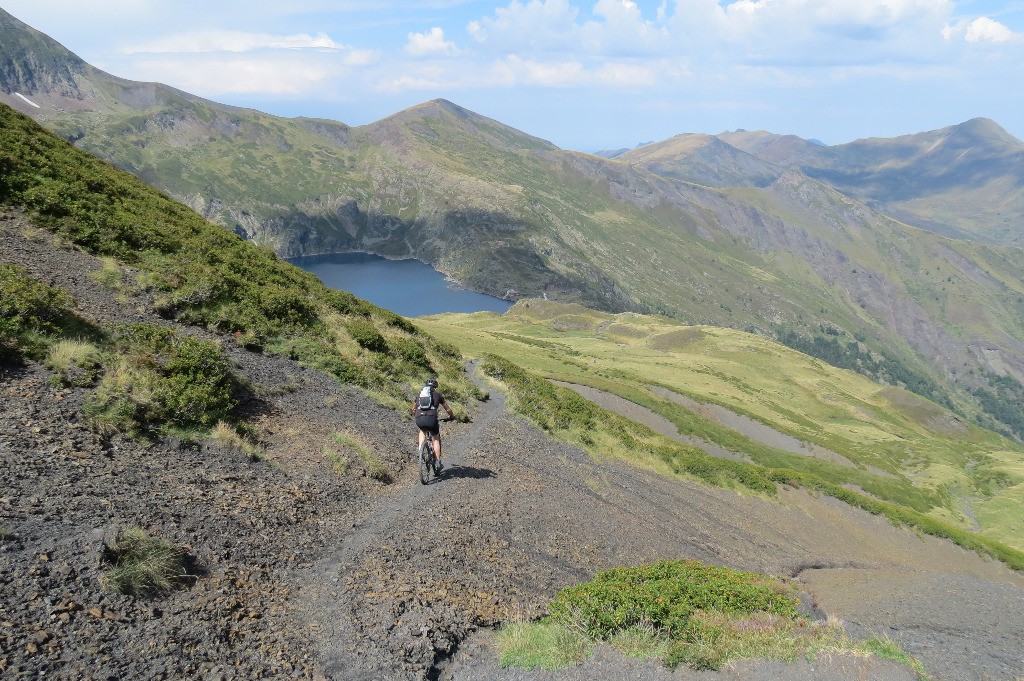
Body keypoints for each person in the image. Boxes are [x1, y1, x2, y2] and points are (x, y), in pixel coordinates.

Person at [412, 378, 455, 472]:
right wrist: (452, 416)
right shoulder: (438, 395)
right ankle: (437, 462)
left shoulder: (420, 394)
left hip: (419, 418)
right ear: (435, 387)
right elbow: (448, 409)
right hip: (431, 419)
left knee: (422, 430)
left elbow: (413, 408)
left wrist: (417, 413)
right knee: (435, 438)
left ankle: (420, 451)